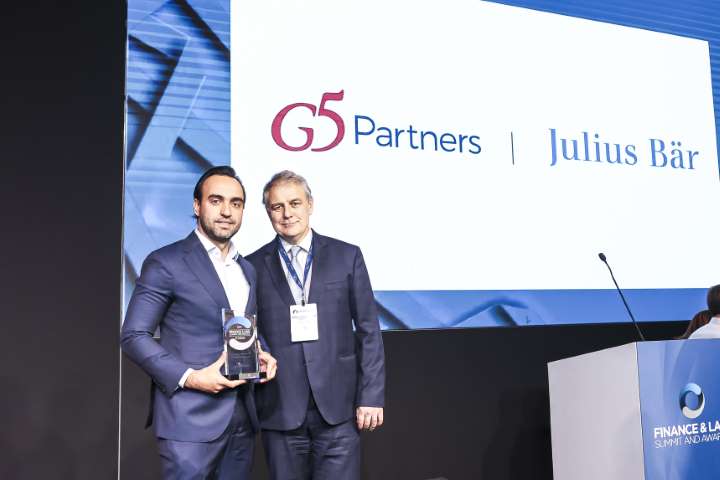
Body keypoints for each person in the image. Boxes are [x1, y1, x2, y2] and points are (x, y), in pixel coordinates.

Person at [120, 166, 277, 479]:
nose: (226, 211)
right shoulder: (166, 262)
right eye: (216, 200)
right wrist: (190, 377)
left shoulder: (247, 269)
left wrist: (263, 352)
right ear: (197, 205)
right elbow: (133, 335)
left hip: (242, 419)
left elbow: (243, 328)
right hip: (188, 419)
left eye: (235, 203)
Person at [247, 170, 386, 480]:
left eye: (294, 203)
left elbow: (369, 330)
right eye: (277, 206)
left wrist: (371, 396)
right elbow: (248, 332)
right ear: (268, 212)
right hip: (280, 409)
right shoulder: (251, 266)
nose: (287, 213)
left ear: (310, 204)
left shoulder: (347, 256)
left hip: (339, 409)